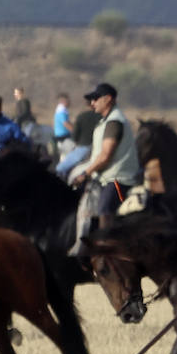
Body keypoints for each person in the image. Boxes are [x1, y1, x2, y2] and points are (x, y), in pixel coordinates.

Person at [69, 82, 141, 255]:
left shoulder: (114, 121)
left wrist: (85, 173)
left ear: (108, 99)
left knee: (104, 208)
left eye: (95, 99)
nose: (92, 103)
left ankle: (106, 253)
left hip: (118, 179)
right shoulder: (105, 121)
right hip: (104, 177)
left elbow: (105, 156)